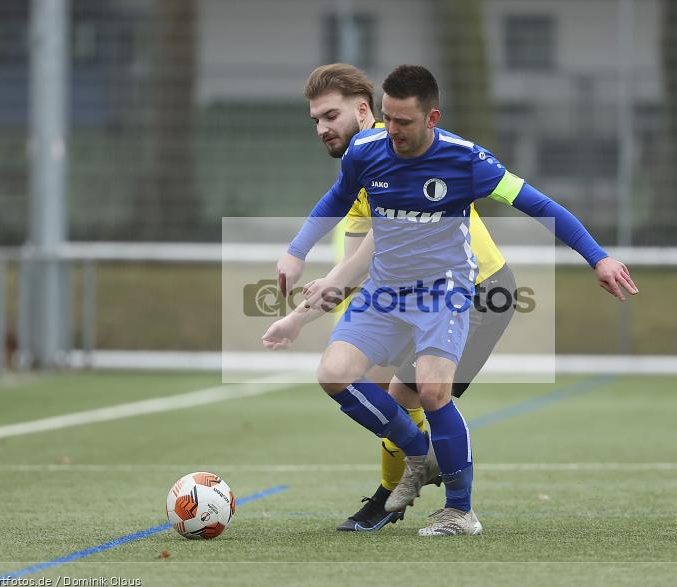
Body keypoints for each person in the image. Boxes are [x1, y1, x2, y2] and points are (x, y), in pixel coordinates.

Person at [275, 65, 638, 536]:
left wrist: (598, 258)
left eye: (402, 122)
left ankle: (452, 506)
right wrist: (296, 257)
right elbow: (344, 223)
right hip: (392, 292)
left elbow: (540, 205)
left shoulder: (466, 160)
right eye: (388, 120)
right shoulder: (365, 155)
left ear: (431, 118)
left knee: (425, 392)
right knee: (356, 381)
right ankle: (420, 461)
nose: (392, 132)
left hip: (469, 290)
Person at [263, 64, 519, 533]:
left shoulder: (399, 149)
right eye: (315, 120)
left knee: (414, 394)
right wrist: (304, 314)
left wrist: (301, 314)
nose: (322, 128)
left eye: (330, 116)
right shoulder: (363, 163)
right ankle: (418, 474)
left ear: (364, 111)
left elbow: (369, 256)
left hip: (478, 290)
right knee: (383, 392)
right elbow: (356, 265)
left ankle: (413, 498)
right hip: (411, 295)